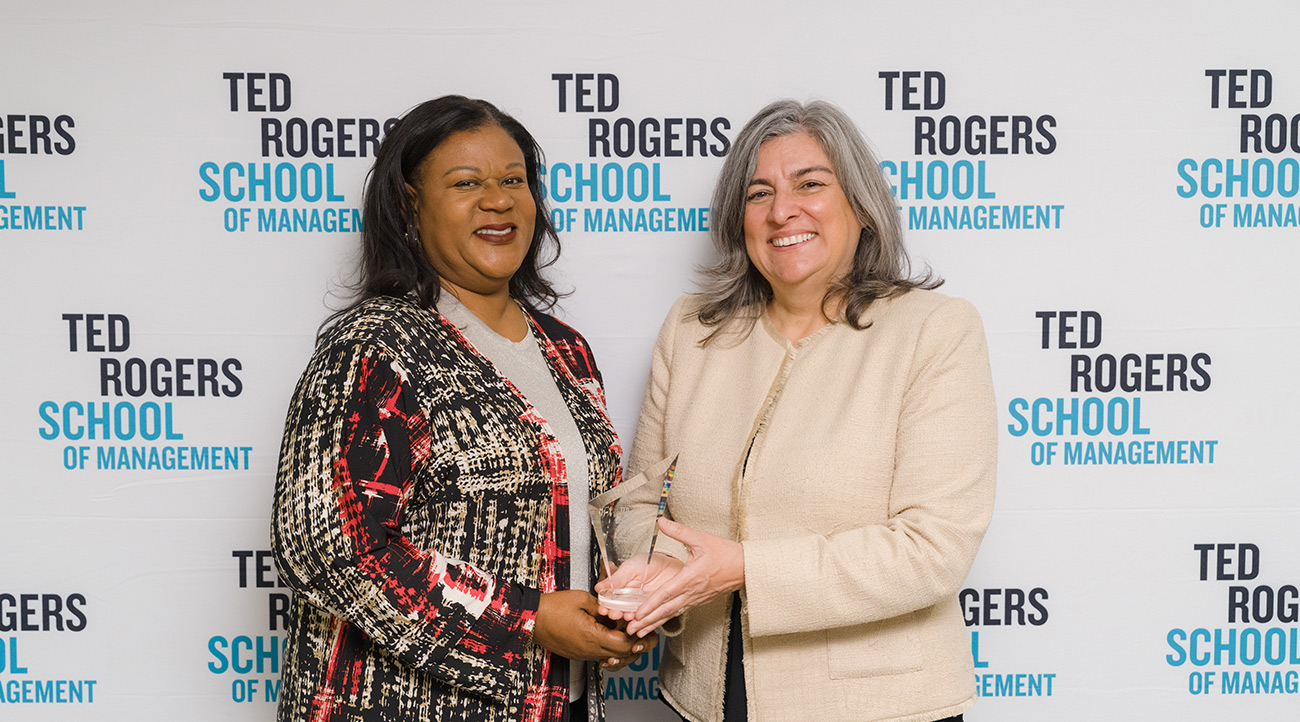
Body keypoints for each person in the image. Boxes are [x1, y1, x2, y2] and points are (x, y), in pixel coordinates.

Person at [598, 99, 997, 722]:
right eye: (759, 193)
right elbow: (642, 500)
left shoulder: (935, 331)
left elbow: (933, 548)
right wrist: (660, 570)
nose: (783, 211)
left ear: (862, 206)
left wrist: (742, 569)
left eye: (810, 184)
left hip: (879, 705)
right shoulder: (691, 329)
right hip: (710, 693)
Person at [271, 95, 648, 722]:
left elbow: (581, 518)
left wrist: (624, 607)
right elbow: (327, 546)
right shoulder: (376, 347)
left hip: (561, 703)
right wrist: (527, 622)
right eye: (466, 183)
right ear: (409, 206)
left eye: (512, 181)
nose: (497, 200)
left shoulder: (566, 351)